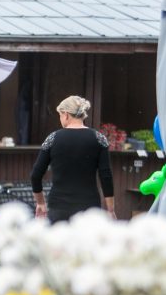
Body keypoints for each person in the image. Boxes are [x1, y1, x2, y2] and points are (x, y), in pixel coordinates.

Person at [30, 95, 114, 223]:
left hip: (59, 208)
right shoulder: (99, 138)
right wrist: (110, 209)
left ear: (66, 115)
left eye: (60, 115)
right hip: (89, 208)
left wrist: (40, 203)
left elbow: (35, 175)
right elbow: (106, 176)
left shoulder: (53, 138)